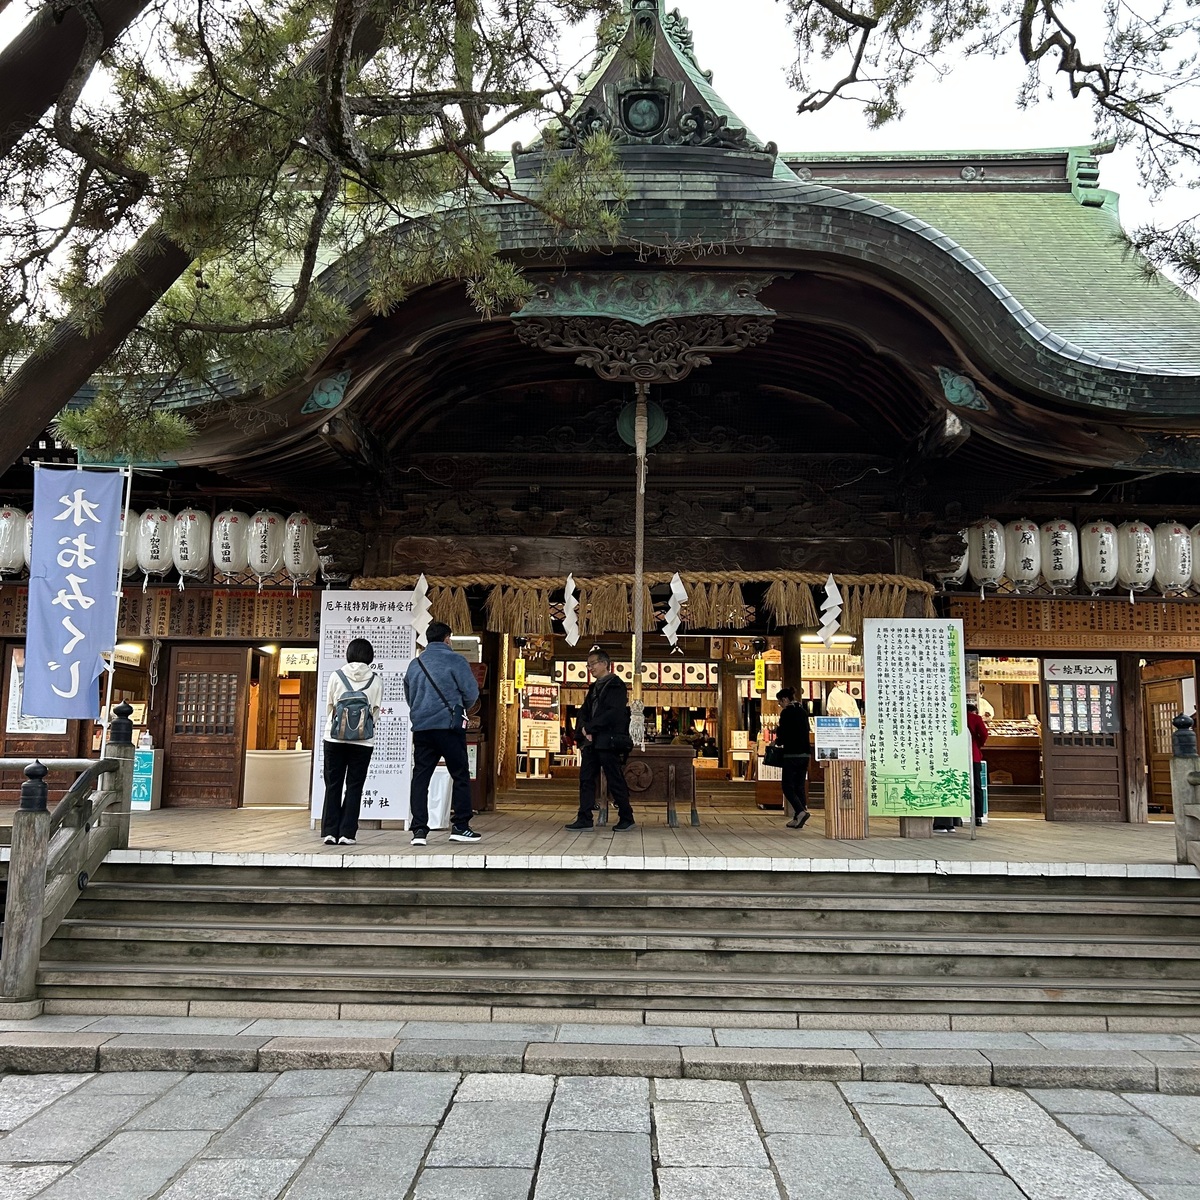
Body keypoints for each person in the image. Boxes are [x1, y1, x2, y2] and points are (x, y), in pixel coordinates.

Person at [403, 620, 481, 846]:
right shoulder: (456, 660)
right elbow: (471, 692)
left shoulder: (415, 664)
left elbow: (409, 696)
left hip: (422, 728)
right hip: (449, 726)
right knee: (460, 774)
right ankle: (461, 826)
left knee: (420, 777)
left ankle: (418, 829)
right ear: (448, 638)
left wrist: (422, 710)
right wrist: (459, 708)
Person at [321, 637, 384, 846]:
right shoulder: (375, 679)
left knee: (333, 784)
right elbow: (375, 712)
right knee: (355, 785)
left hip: (334, 738)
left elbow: (330, 706)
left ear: (349, 654)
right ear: (369, 656)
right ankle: (347, 833)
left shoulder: (336, 676)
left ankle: (330, 831)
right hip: (363, 742)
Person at [566, 646, 635, 831]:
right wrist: (582, 728)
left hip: (608, 740)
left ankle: (627, 817)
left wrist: (591, 726)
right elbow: (584, 711)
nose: (590, 668)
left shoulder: (616, 685)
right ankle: (584, 817)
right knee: (586, 778)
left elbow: (613, 713)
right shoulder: (593, 688)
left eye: (593, 664)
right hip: (591, 741)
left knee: (614, 778)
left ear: (604, 663)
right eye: (588, 665)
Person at [775, 687, 812, 829]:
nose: (780, 705)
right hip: (805, 754)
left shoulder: (787, 713)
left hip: (791, 754)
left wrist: (777, 741)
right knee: (799, 786)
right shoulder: (803, 712)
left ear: (785, 699)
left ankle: (801, 811)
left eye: (780, 702)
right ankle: (798, 818)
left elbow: (784, 734)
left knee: (787, 786)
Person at [967, 699, 989, 826]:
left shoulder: (958, 717)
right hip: (973, 754)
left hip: (959, 755)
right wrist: (978, 745)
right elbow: (984, 734)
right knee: (976, 786)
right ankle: (978, 816)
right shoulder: (975, 718)